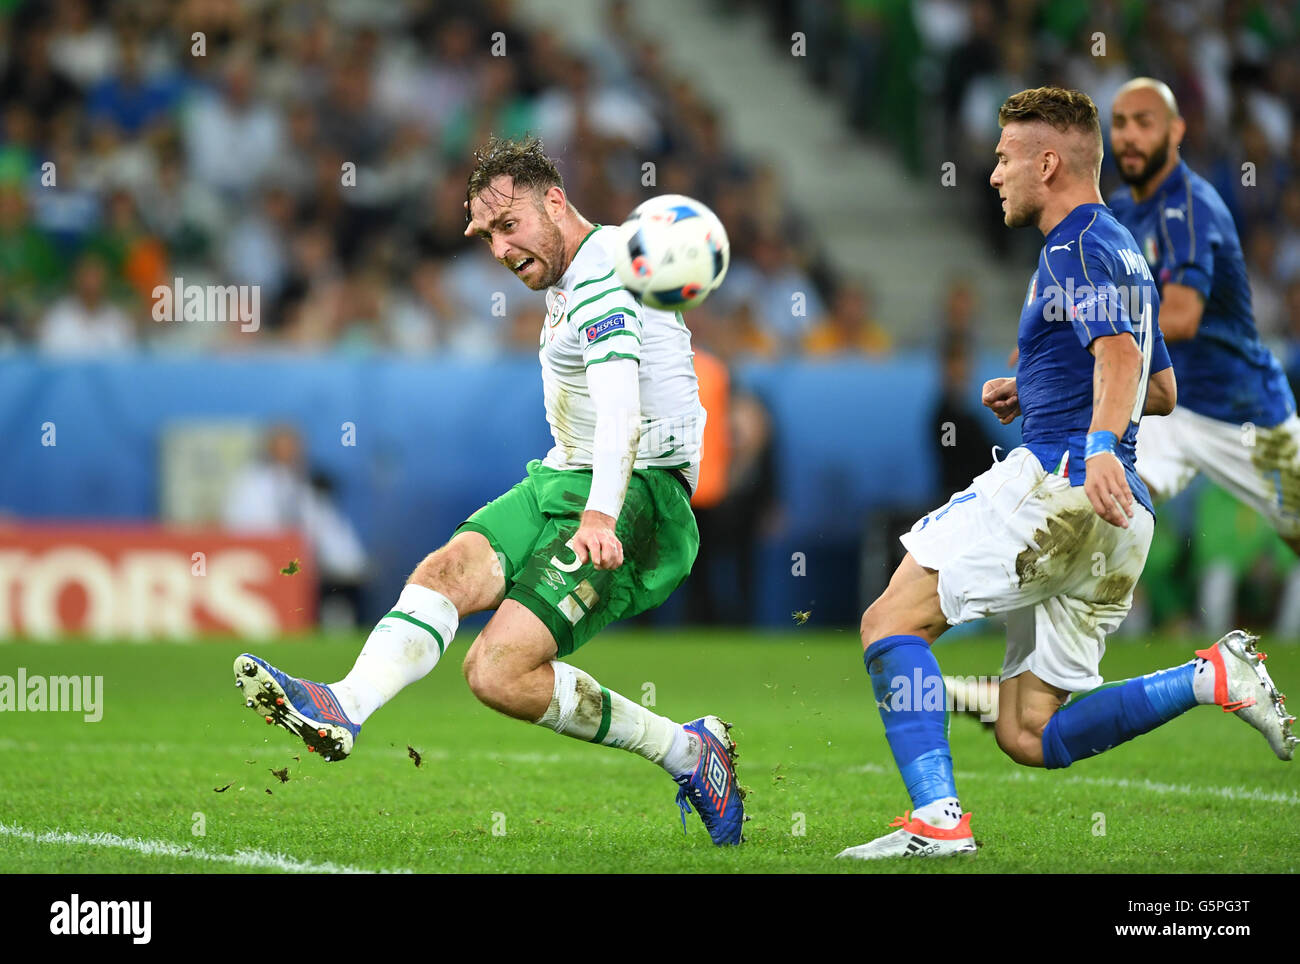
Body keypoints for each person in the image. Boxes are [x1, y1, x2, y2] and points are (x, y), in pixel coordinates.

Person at [232, 135, 744, 845]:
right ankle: (343, 704)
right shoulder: (594, 267)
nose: (501, 249)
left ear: (555, 201)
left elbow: (621, 400)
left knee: (497, 673)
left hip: (632, 494)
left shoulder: (600, 278)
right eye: (487, 235)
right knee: (443, 572)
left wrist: (601, 512)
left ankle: (689, 752)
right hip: (565, 473)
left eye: (510, 225)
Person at [839, 87, 1293, 861]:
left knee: (889, 621)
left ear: (1048, 163)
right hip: (1122, 517)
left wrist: (1101, 443)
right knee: (1028, 732)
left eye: (1004, 157)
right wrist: (1046, 390)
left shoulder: (1073, 245)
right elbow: (1162, 387)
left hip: (1063, 484)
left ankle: (938, 819)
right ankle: (1208, 678)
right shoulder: (1122, 247)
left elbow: (1120, 360)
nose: (993, 175)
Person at [1108, 78, 1300, 554]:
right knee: (1105, 508)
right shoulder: (1114, 214)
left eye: (1144, 123)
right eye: (1119, 124)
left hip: (1241, 408)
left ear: (1176, 131)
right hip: (1161, 404)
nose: (1129, 135)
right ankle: (1090, 627)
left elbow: (1182, 317)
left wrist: (1087, 337)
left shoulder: (1195, 207)